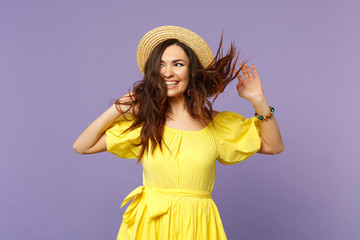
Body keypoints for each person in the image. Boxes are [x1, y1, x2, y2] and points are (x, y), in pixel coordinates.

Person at [73, 26, 284, 239]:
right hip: (150, 227)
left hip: (197, 227)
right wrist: (116, 109)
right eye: (161, 65)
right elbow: (82, 146)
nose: (167, 72)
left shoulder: (215, 124)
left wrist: (259, 100)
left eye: (178, 64)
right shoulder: (146, 122)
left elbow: (273, 146)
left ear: (192, 72)